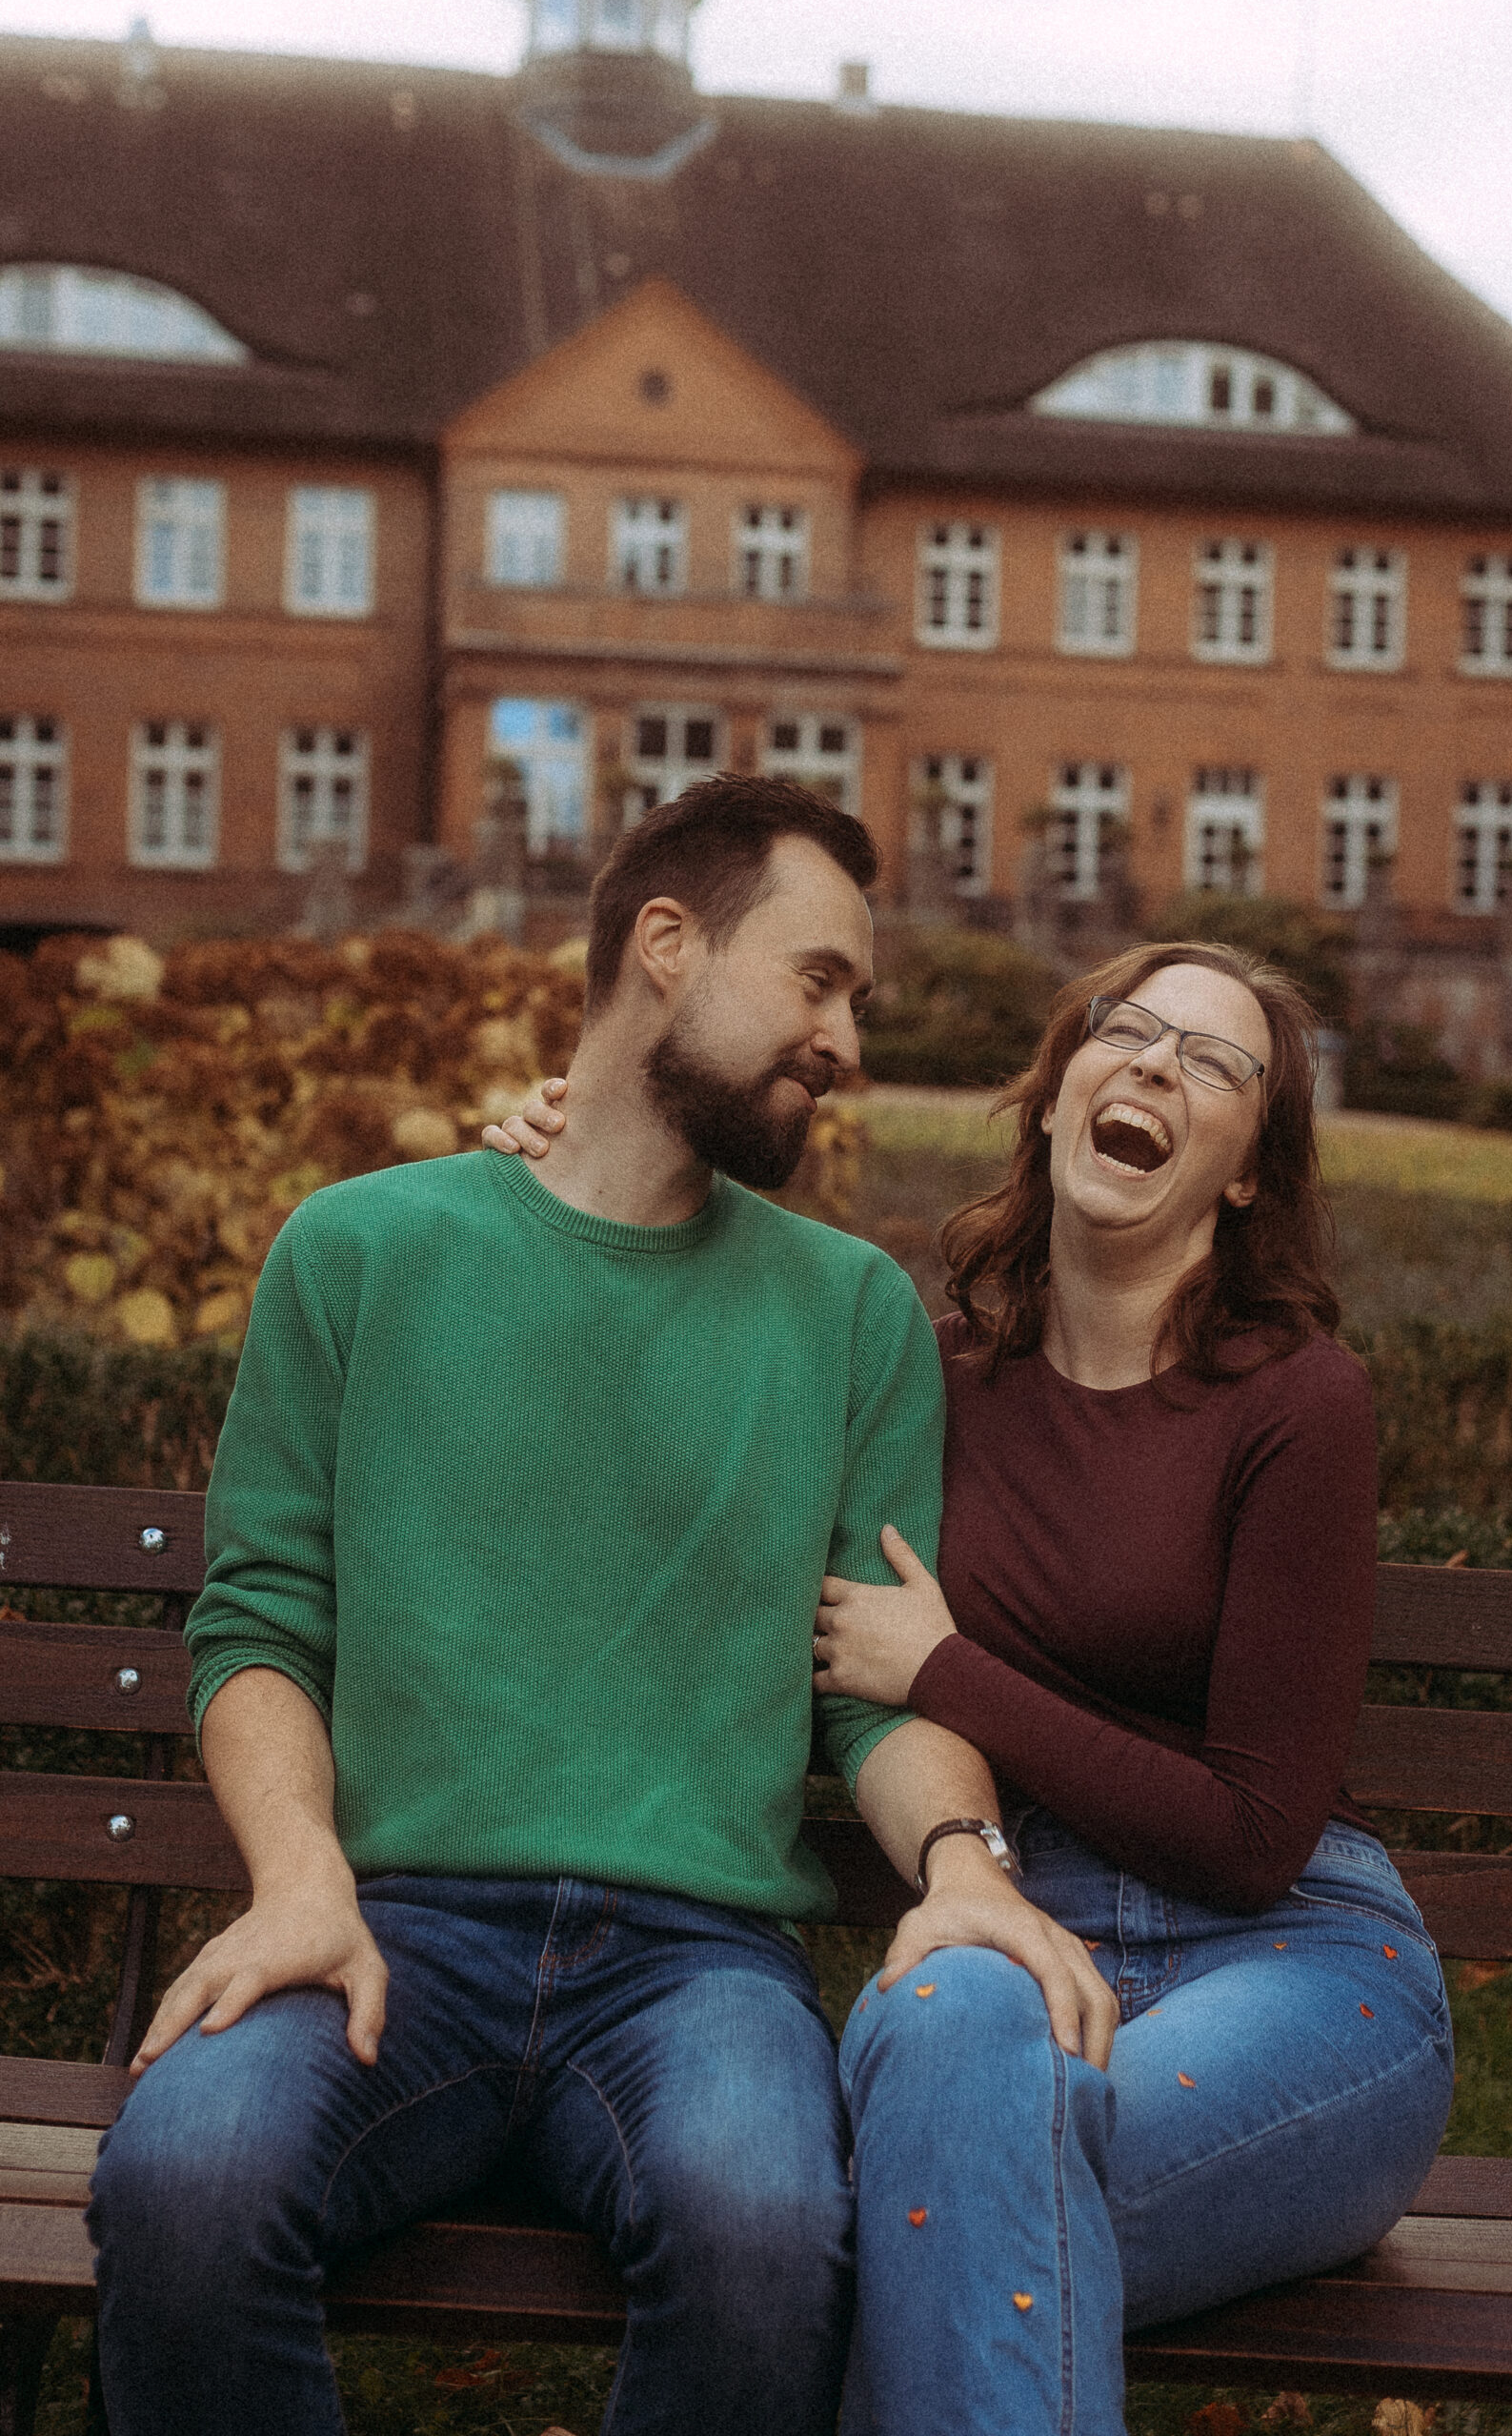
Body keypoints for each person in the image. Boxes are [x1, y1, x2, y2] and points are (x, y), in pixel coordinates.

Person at [88, 775, 1109, 2436]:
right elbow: (259, 1623)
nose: (846, 1041)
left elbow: (874, 1688)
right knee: (183, 2183)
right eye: (820, 979)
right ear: (663, 946)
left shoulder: (851, 1315)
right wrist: (298, 1878)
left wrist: (962, 1869)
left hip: (693, 1969)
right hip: (389, 1924)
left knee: (768, 2231)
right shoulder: (359, 1252)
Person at [496, 942, 1455, 2436]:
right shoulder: (922, 1374)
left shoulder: (1296, 1402)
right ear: (1059, 1090)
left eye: (1212, 1063)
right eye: (1124, 1033)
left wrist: (946, 1671)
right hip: (994, 1931)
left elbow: (1254, 1833)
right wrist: (582, 1158)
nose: (1152, 1066)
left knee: (931, 2196)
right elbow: (683, 1322)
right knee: (957, 2096)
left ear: (1251, 1170)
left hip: (1293, 1971)